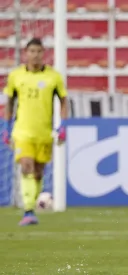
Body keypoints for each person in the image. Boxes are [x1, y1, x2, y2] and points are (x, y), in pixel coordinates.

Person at [2, 38, 68, 226]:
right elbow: (9, 102)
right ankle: (28, 210)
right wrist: (6, 127)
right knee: (26, 166)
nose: (35, 55)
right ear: (26, 53)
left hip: (44, 132)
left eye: (39, 51)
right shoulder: (16, 76)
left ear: (43, 53)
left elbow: (64, 101)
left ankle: (31, 207)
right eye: (32, 51)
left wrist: (62, 125)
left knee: (38, 172)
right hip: (22, 131)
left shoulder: (53, 77)